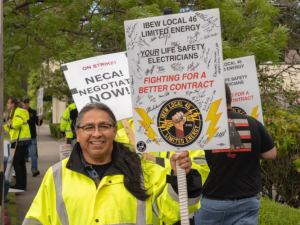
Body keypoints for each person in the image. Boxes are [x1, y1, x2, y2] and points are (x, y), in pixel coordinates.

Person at [23, 102, 202, 225]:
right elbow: (36, 220)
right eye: (88, 127)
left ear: (115, 131)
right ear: (77, 133)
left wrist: (182, 180)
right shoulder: (56, 175)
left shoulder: (143, 169)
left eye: (104, 126)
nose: (97, 133)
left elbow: (170, 211)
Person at [198, 84, 277, 225]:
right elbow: (271, 154)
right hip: (248, 201)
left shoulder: (204, 125)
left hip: (213, 201)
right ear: (231, 98)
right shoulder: (253, 122)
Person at [115, 119, 209, 225]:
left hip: (178, 214)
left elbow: (201, 172)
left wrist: (159, 162)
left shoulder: (184, 132)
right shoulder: (119, 136)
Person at [3, 97, 31, 190]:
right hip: (19, 140)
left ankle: (19, 185)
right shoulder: (12, 113)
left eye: (8, 102)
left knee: (16, 162)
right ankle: (23, 185)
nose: (7, 104)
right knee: (21, 163)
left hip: (21, 140)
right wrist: (6, 123)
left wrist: (10, 125)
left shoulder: (18, 111)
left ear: (13, 104)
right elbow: (8, 127)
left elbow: (16, 124)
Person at [22, 96, 43, 177]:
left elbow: (38, 124)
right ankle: (22, 171)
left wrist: (40, 119)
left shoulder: (33, 112)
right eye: (25, 102)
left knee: (33, 154)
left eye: (28, 102)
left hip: (32, 137)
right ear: (22, 103)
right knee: (23, 155)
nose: (26, 103)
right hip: (23, 137)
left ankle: (34, 170)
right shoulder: (20, 112)